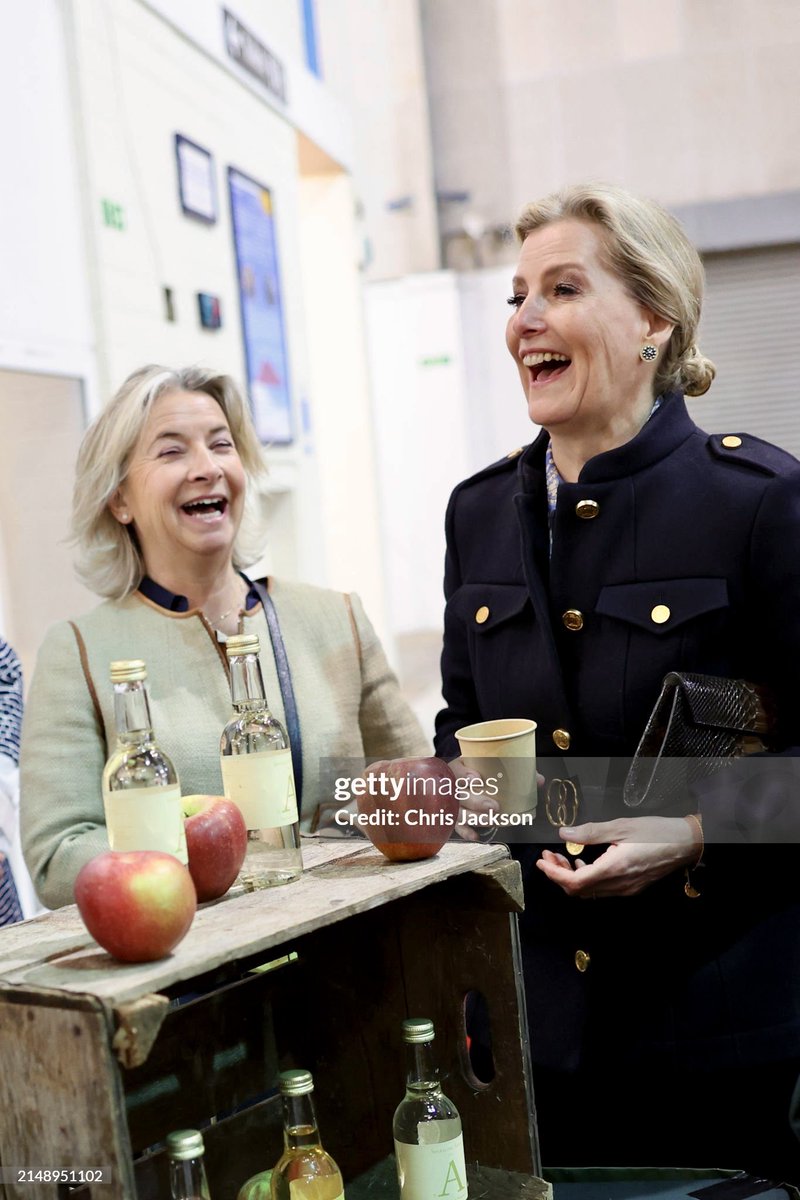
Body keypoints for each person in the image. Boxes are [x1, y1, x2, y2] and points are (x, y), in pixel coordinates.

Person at [434, 184, 800, 1179]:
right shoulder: (476, 516)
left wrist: (689, 827)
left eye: (560, 288)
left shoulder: (758, 505)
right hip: (530, 1038)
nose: (525, 321)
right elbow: (461, 735)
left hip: (719, 1041)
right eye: (516, 296)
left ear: (651, 320)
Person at [20, 364, 428, 910]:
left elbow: (418, 794)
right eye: (171, 452)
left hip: (359, 954)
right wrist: (206, 852)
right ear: (119, 500)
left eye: (221, 445)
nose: (207, 468)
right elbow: (57, 855)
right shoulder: (79, 650)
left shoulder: (336, 618)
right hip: (197, 977)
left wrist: (532, 791)